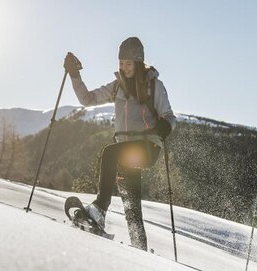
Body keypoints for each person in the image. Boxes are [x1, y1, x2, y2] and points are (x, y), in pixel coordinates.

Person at [64, 37, 176, 250]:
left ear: (139, 62)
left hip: (146, 147)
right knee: (132, 207)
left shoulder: (154, 85)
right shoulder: (117, 87)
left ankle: (99, 209)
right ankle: (140, 250)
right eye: (121, 63)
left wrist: (165, 127)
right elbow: (88, 99)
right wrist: (75, 75)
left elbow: (169, 116)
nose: (124, 68)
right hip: (127, 153)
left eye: (128, 63)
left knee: (109, 153)